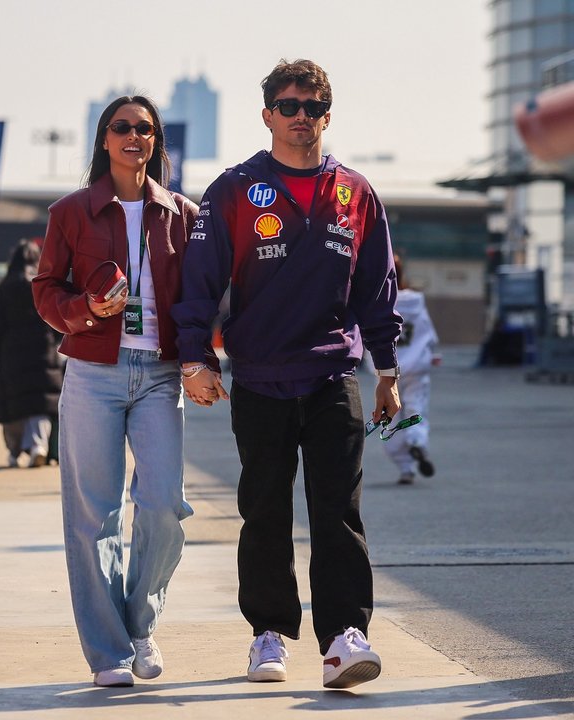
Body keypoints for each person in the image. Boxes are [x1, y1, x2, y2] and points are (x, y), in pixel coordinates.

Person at [172, 59, 402, 690]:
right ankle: (268, 633)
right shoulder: (234, 190)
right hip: (261, 379)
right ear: (267, 114)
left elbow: (377, 289)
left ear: (327, 115)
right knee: (265, 511)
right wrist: (195, 358)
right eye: (290, 105)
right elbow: (199, 283)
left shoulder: (355, 193)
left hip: (333, 378)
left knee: (338, 513)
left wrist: (387, 371)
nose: (302, 116)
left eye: (313, 106)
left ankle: (344, 638)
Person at [32, 95, 213, 688]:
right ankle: (108, 651)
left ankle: (140, 623)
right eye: (122, 127)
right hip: (93, 373)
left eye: (145, 128)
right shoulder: (71, 212)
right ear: (105, 139)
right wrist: (86, 309)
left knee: (163, 504)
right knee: (94, 515)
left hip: (160, 375)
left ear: (156, 140)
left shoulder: (182, 215)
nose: (134, 135)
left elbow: (202, 298)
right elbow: (45, 290)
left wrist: (200, 361)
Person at [0, 240, 63, 468]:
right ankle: (39, 446)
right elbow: (55, 317)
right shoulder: (41, 282)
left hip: (12, 351)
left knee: (13, 404)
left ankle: (14, 452)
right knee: (40, 403)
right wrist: (54, 343)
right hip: (42, 350)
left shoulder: (6, 287)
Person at [384, 254, 439, 485]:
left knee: (391, 416)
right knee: (416, 408)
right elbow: (428, 332)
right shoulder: (416, 301)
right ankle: (417, 441)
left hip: (388, 370)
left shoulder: (377, 299)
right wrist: (432, 353)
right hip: (416, 365)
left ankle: (405, 468)